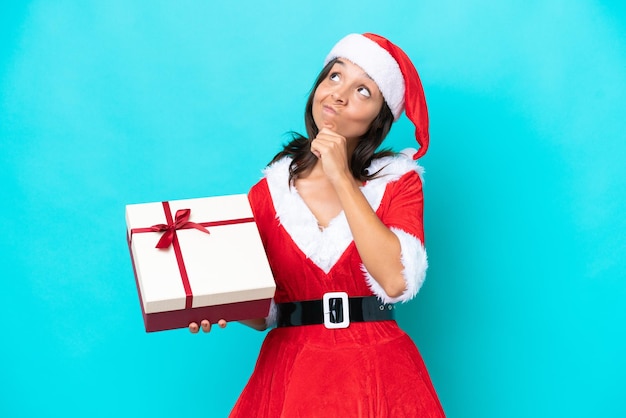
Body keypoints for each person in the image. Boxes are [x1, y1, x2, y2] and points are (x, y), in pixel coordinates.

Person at [190, 33, 446, 417]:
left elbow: (396, 281)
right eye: (334, 77)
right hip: (291, 372)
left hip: (377, 369)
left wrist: (341, 176)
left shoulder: (398, 183)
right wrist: (209, 305)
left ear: (380, 118)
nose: (339, 95)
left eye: (363, 90)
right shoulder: (267, 194)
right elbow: (264, 314)